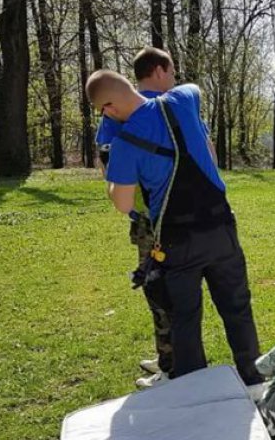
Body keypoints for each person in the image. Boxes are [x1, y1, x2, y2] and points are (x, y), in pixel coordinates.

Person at [86, 69, 263, 386]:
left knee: (185, 317)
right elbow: (193, 87)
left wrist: (112, 179)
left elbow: (124, 204)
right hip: (221, 228)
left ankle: (195, 390)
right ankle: (254, 380)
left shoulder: (125, 145)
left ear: (108, 109)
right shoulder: (181, 99)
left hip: (177, 240)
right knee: (238, 308)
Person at [96, 47, 177, 388]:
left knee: (159, 290)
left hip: (147, 220)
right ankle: (169, 359)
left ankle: (172, 365)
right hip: (176, 213)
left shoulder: (120, 112)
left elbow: (105, 158)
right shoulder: (172, 108)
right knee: (167, 289)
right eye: (172, 70)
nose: (174, 77)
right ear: (159, 70)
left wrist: (127, 201)